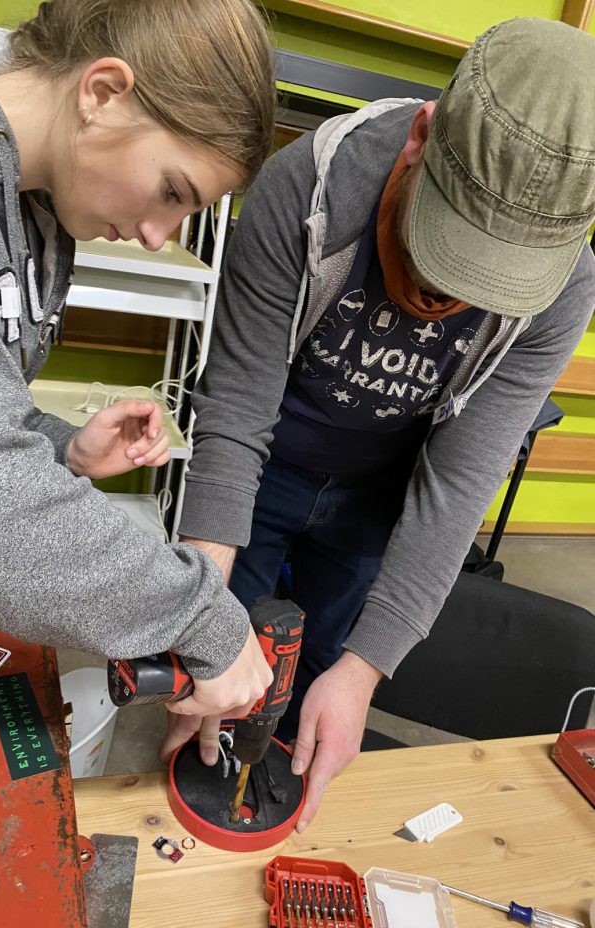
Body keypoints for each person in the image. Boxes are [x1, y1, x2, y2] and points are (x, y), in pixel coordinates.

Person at [165, 18, 595, 829]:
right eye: (442, 250)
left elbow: (462, 479)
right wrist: (197, 625)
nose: (447, 301)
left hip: (378, 494)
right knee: (224, 661)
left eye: (487, 281)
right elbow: (235, 421)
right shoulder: (309, 188)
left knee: (326, 657)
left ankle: (283, 775)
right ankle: (212, 772)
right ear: (420, 139)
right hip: (264, 472)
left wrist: (363, 673)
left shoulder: (565, 288)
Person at [0, 0, 277, 724]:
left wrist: (56, 445)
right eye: (172, 191)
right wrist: (202, 619)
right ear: (102, 93)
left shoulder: (38, 215)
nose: (157, 236)